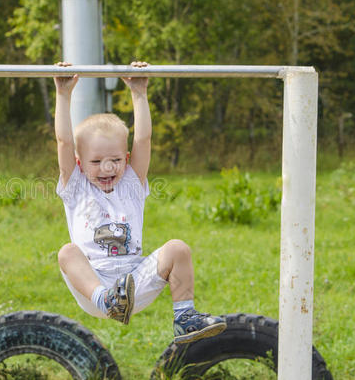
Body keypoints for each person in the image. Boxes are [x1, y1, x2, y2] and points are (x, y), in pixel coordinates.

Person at [53, 61, 226, 343]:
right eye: (96, 161)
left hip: (134, 282)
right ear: (79, 163)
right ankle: (107, 299)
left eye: (116, 160)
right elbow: (63, 141)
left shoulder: (131, 185)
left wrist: (138, 92)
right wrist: (63, 95)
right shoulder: (76, 187)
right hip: (93, 287)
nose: (107, 168)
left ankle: (185, 317)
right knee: (67, 252)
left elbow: (143, 139)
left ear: (127, 159)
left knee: (178, 249)